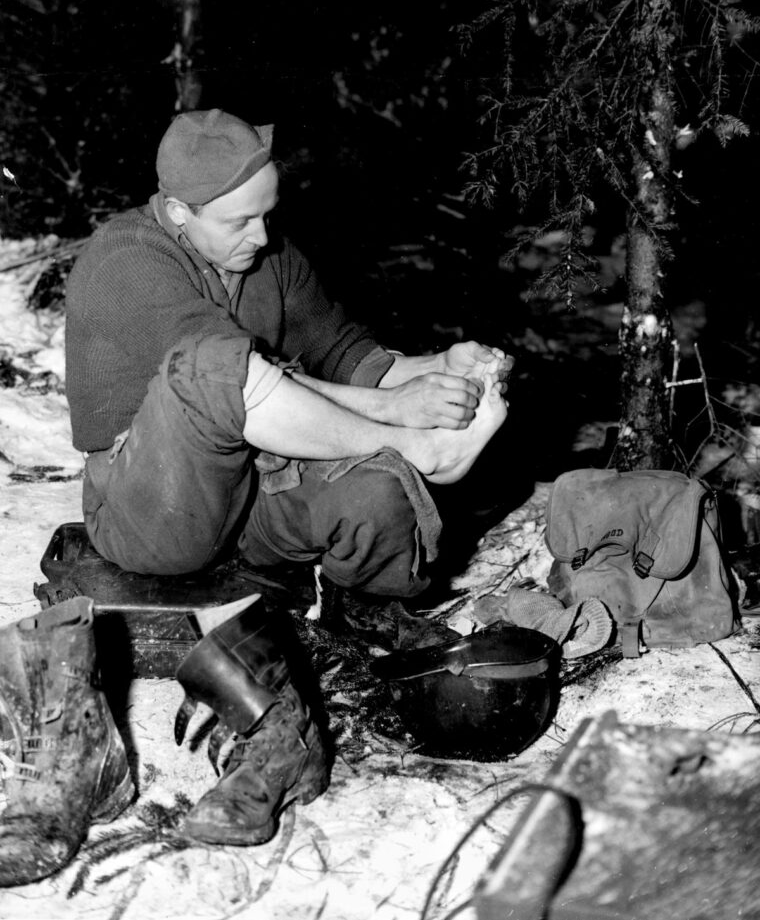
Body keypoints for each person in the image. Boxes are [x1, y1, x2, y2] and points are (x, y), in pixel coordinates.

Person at [64, 108, 510, 845]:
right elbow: (237, 377)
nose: (263, 237)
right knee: (214, 367)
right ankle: (421, 453)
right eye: (240, 221)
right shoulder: (126, 263)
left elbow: (341, 352)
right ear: (178, 211)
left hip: (251, 495)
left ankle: (362, 608)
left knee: (372, 489)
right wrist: (401, 421)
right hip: (152, 508)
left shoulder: (263, 253)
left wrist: (437, 368)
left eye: (268, 214)